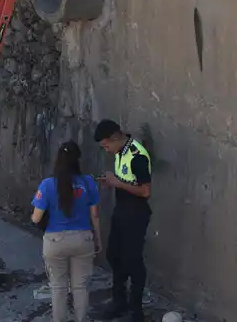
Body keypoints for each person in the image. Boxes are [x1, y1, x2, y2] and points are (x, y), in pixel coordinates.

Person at [31, 141, 101, 322]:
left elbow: (36, 218)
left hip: (55, 242)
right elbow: (95, 216)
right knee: (81, 287)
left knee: (58, 288)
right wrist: (97, 240)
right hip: (83, 239)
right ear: (78, 159)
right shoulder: (88, 182)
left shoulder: (47, 185)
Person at [94, 119, 152, 322]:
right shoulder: (120, 152)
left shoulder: (137, 155)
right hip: (122, 210)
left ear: (115, 138)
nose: (107, 150)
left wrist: (117, 182)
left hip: (136, 214)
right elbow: (127, 181)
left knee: (133, 261)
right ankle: (119, 300)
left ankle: (136, 311)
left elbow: (145, 191)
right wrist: (112, 182)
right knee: (114, 255)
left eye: (106, 145)